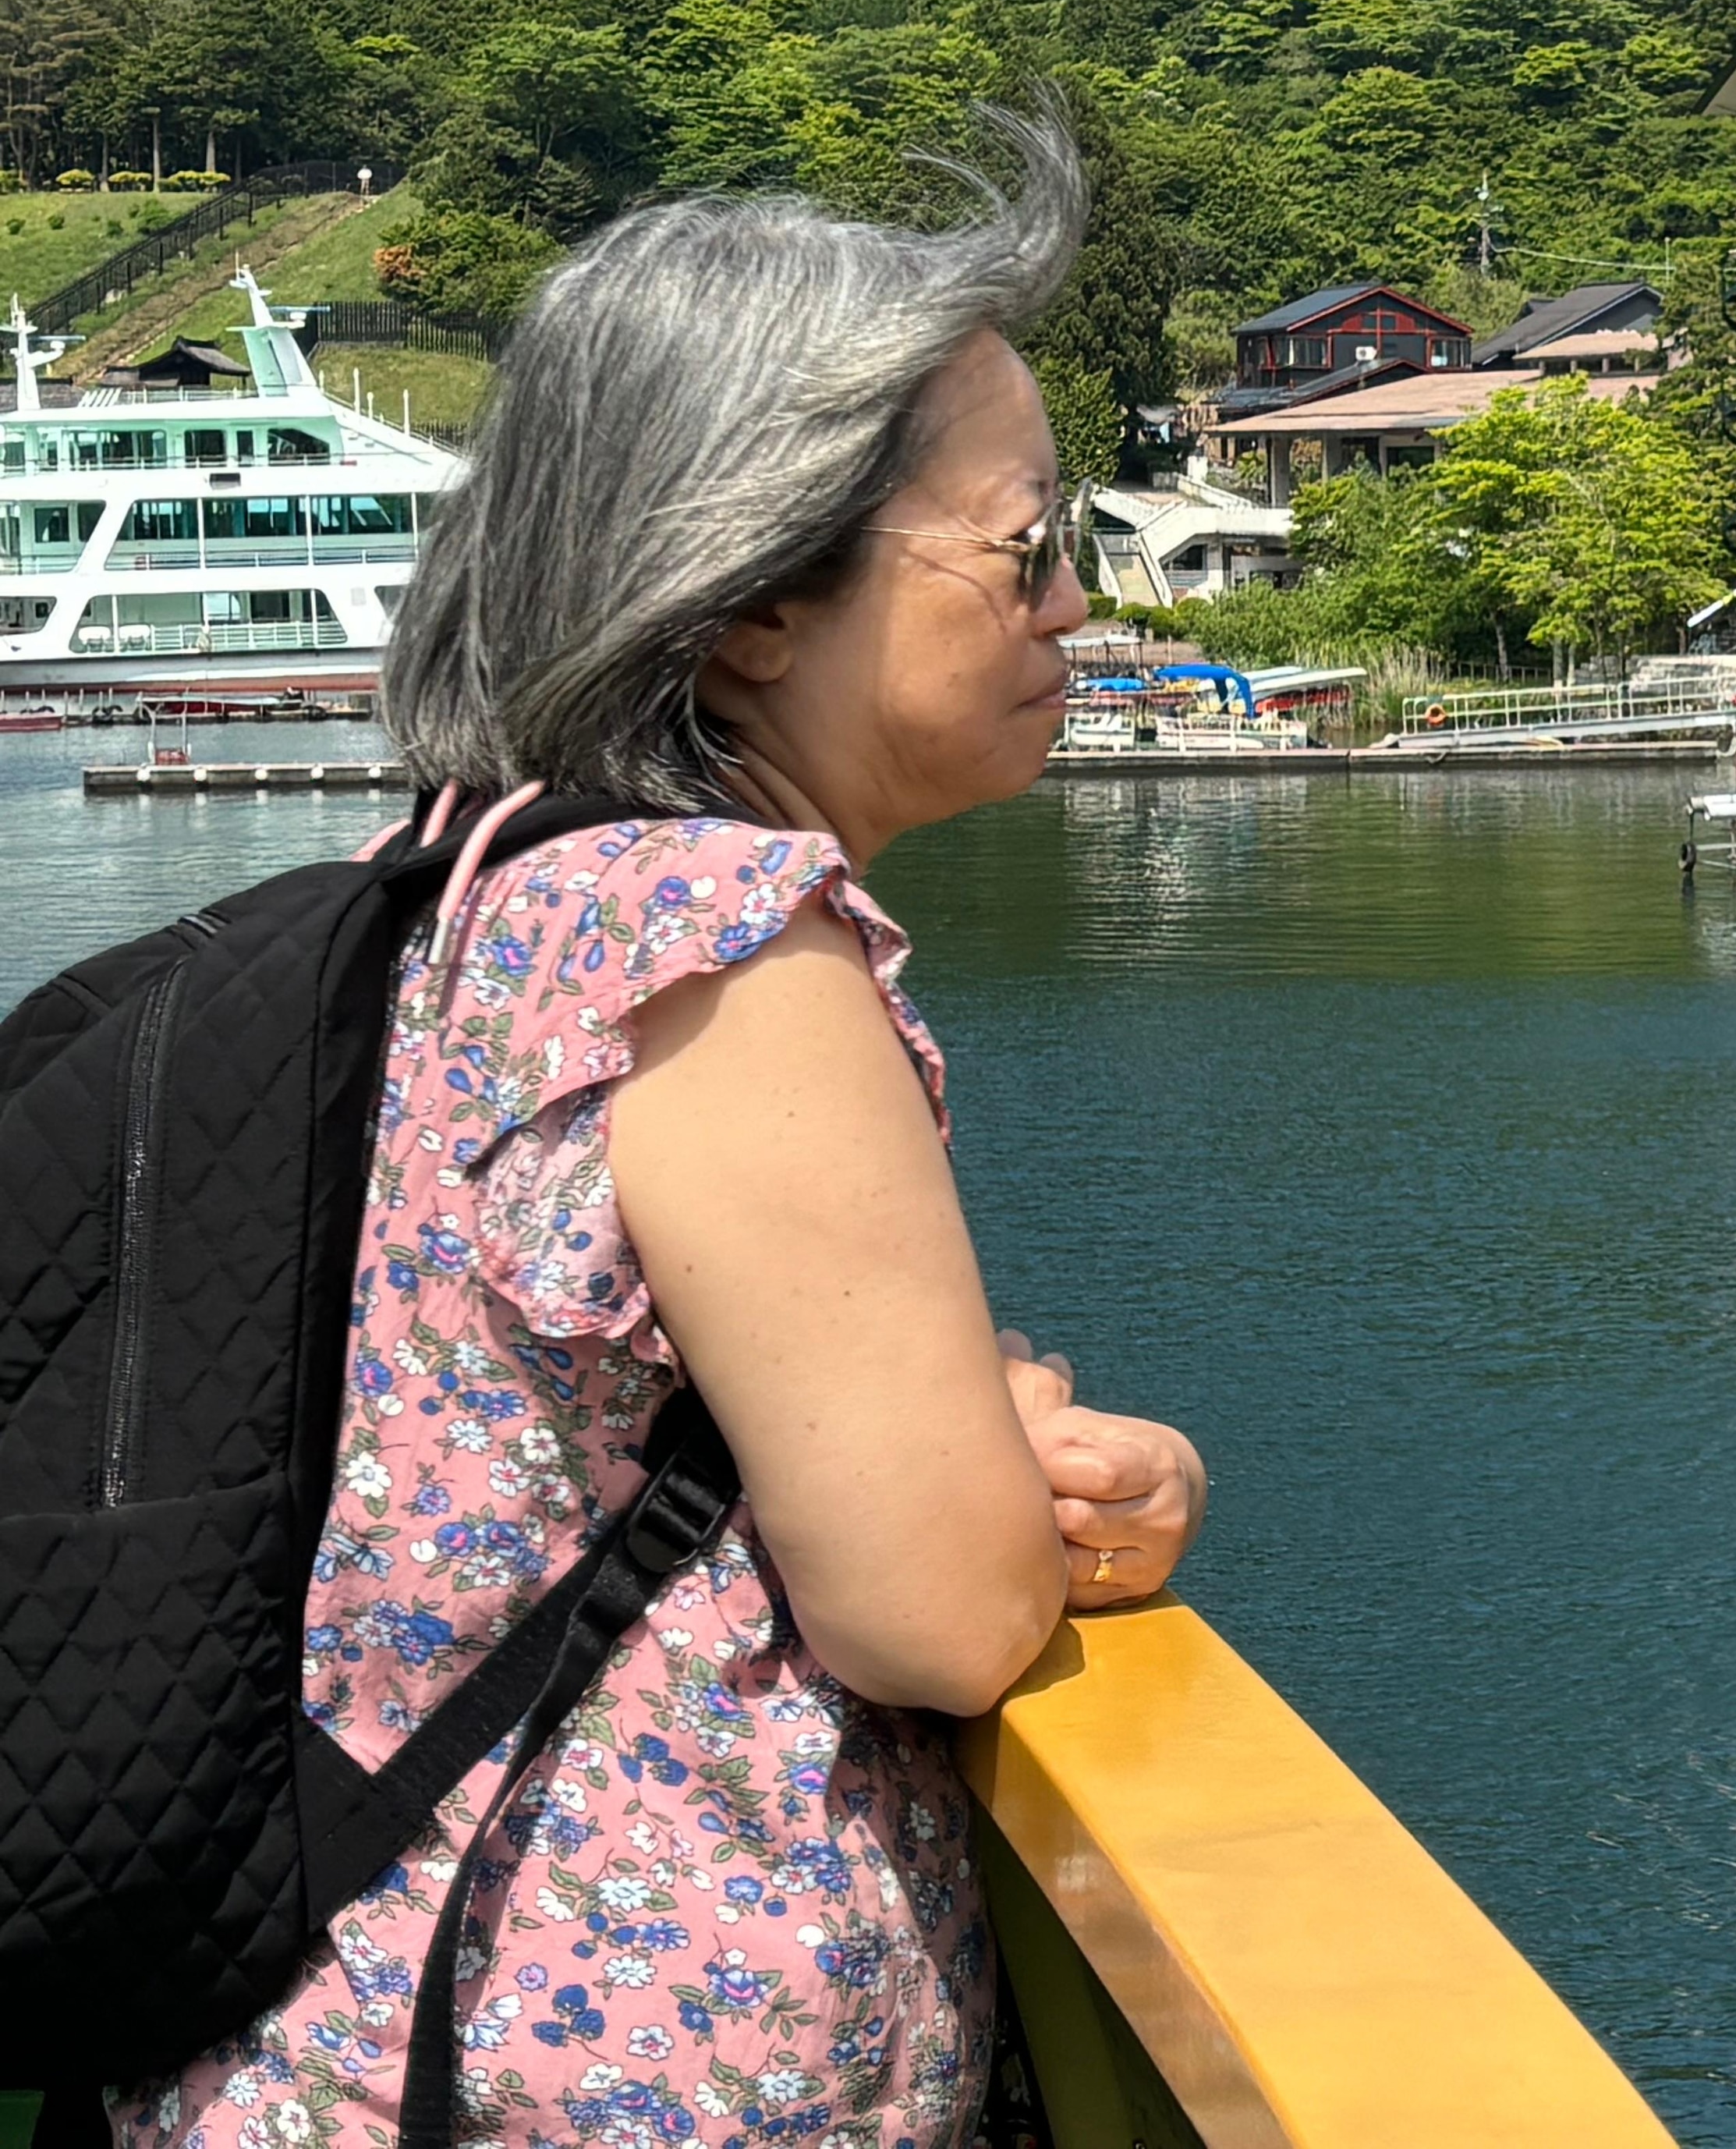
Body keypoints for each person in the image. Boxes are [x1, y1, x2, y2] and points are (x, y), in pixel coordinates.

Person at [120, 110, 1206, 2149]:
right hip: (612, 2084)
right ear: (748, 598)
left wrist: (944, 1417)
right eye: (1028, 538)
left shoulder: (463, 881)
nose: (1076, 599)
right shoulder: (725, 951)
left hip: (323, 2044)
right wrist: (1035, 1477)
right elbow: (940, 1608)